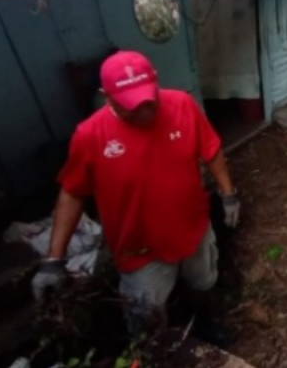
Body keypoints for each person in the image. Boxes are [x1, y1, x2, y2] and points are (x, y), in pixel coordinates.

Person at [31, 50, 239, 344]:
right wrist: (54, 259)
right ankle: (156, 351)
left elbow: (211, 149)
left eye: (149, 101)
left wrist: (228, 194)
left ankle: (203, 322)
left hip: (193, 227)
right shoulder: (90, 135)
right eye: (133, 106)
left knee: (203, 281)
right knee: (146, 316)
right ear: (107, 96)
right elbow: (72, 192)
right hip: (140, 249)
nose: (145, 112)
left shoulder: (182, 105)